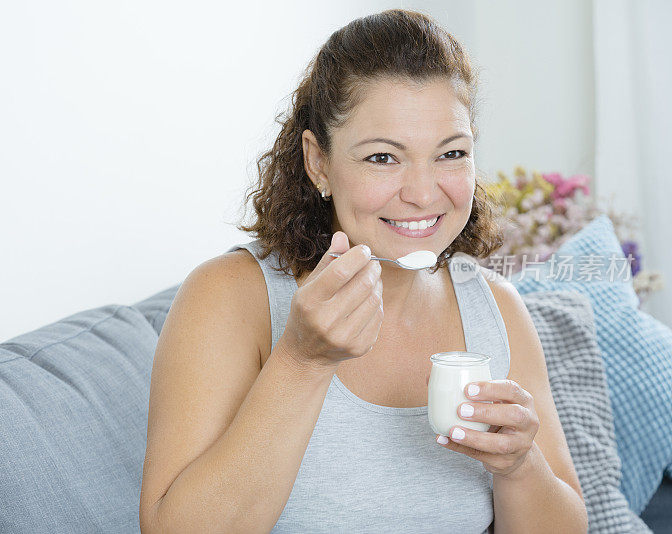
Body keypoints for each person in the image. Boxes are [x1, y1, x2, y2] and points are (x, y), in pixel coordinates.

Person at [139, 9, 587, 534]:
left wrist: (519, 465)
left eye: (451, 153)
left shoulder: (496, 307)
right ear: (318, 162)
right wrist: (302, 361)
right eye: (382, 158)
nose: (423, 193)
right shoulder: (230, 296)